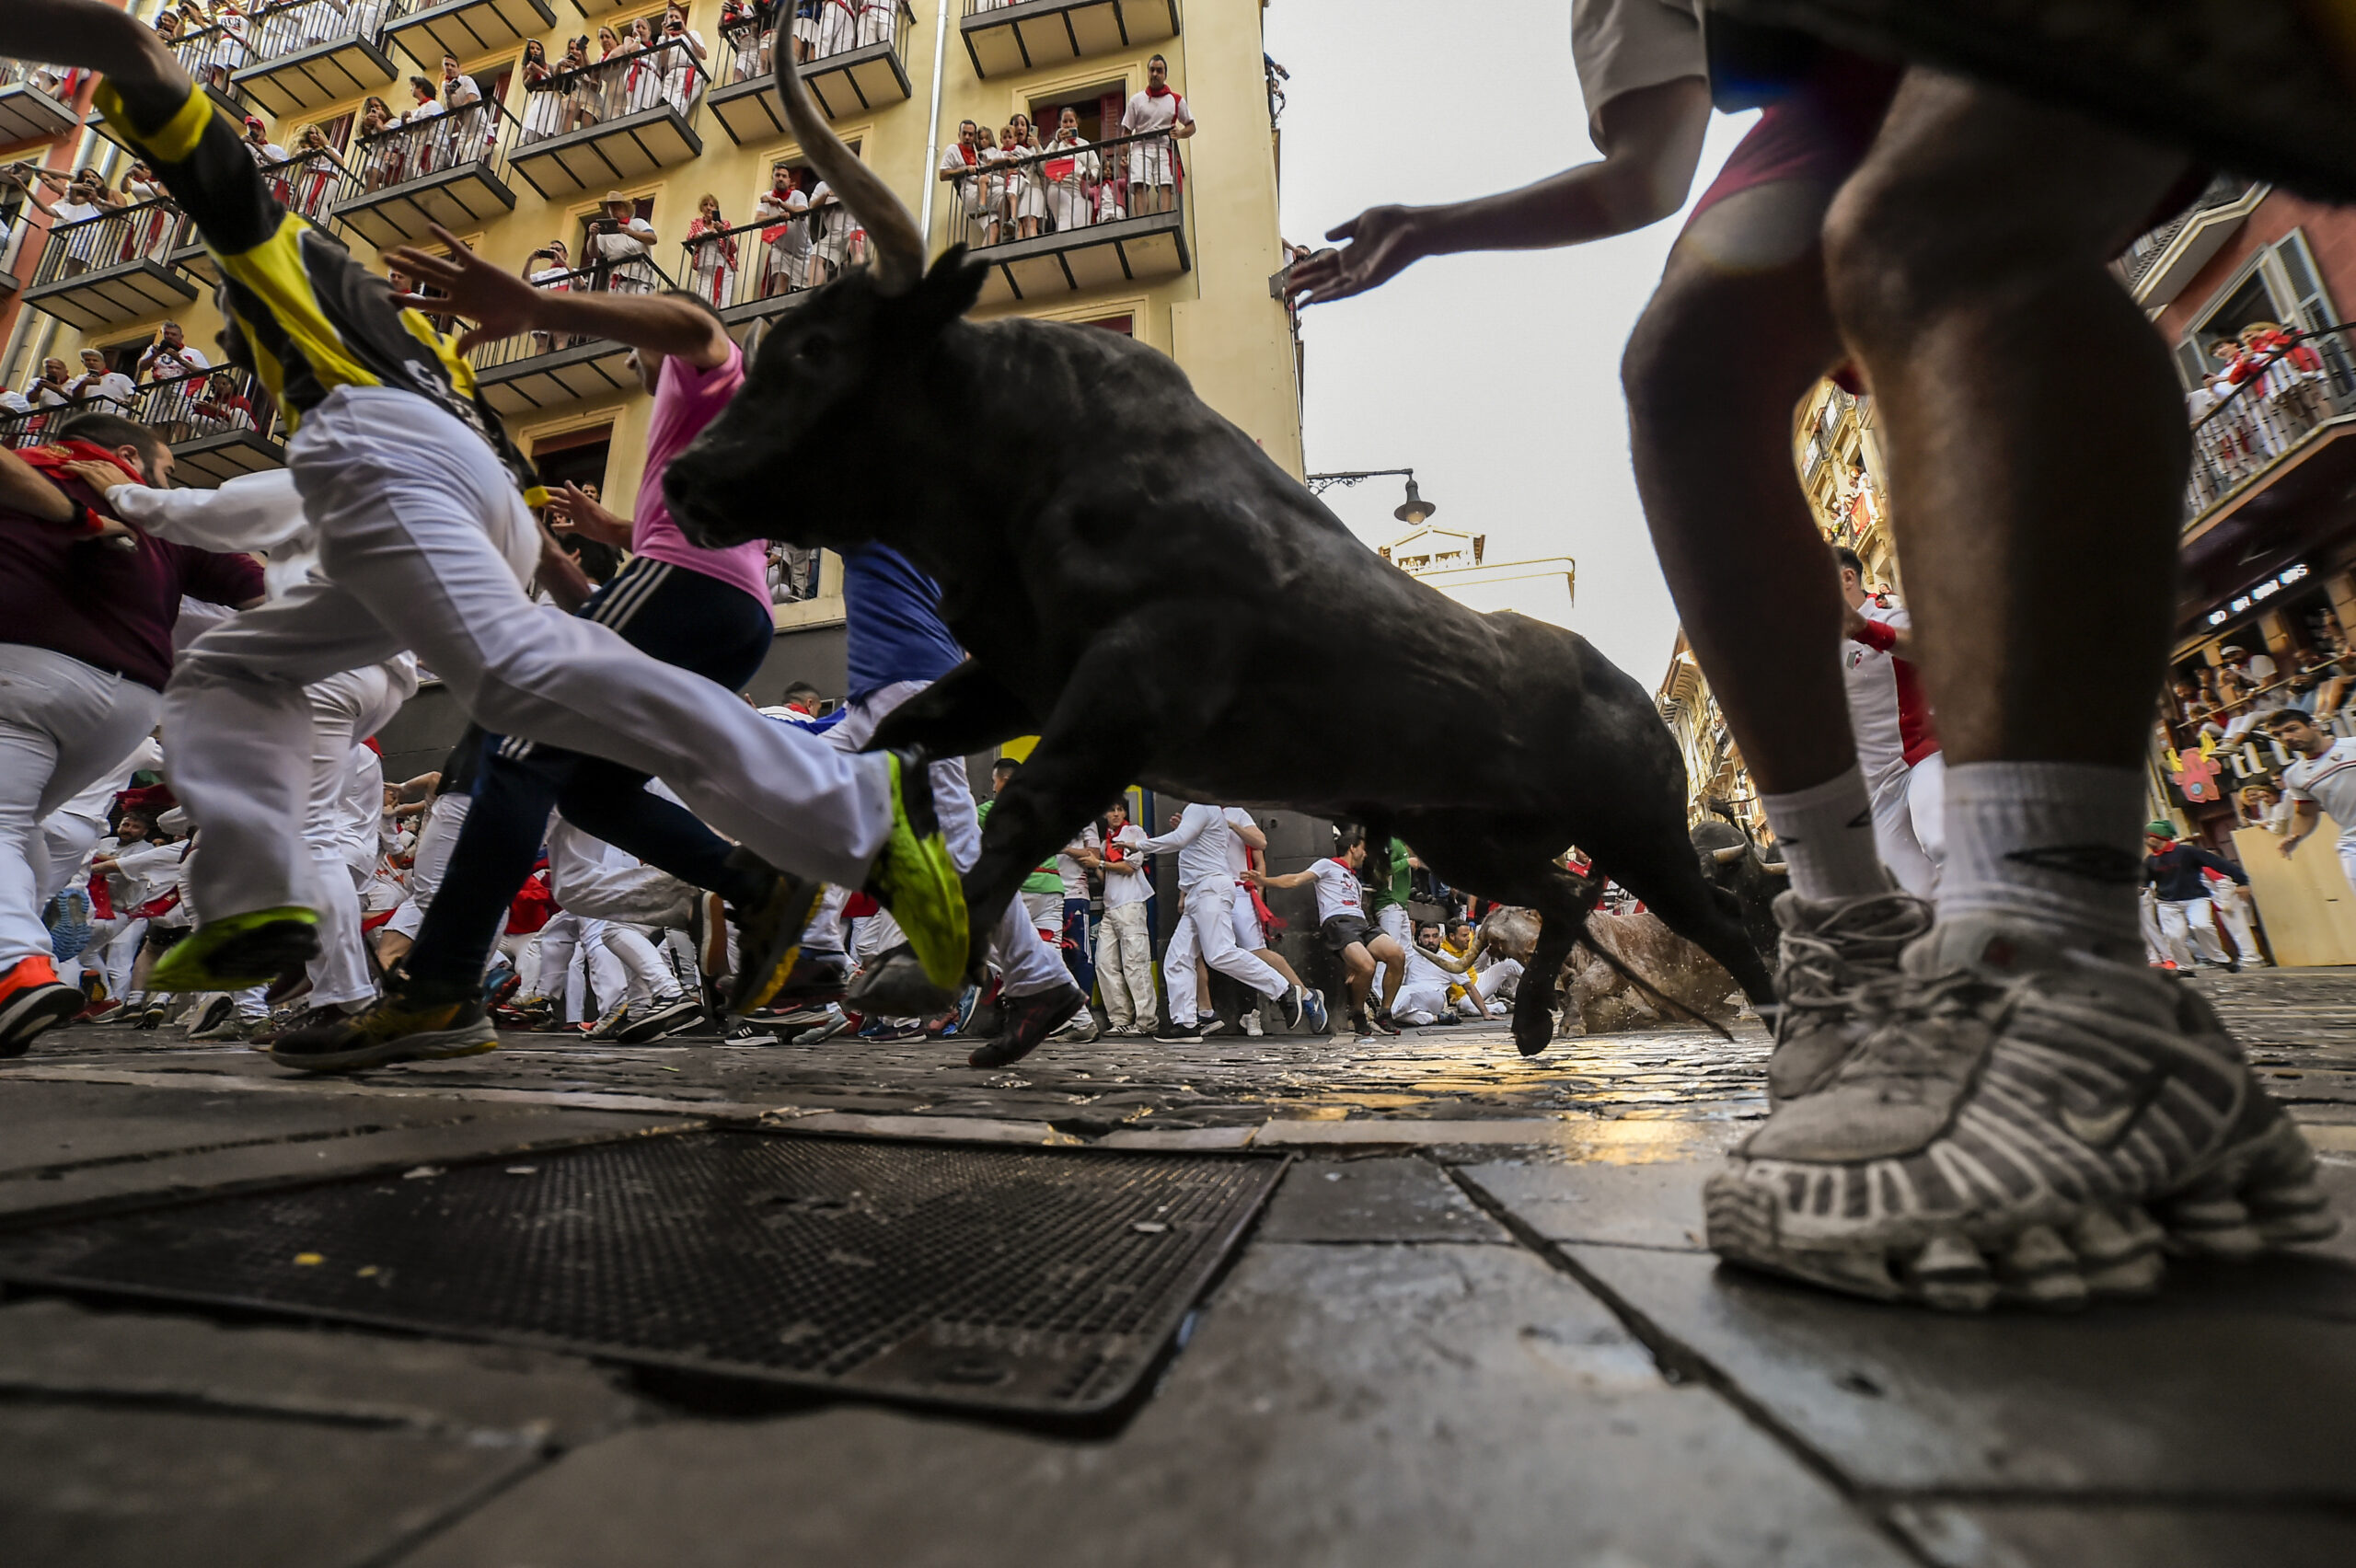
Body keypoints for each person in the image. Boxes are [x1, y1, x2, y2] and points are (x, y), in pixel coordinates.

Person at [1289, 3, 2336, 1302]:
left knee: (1936, 237)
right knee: (1685, 366)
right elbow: (1646, 173)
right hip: (1860, 79)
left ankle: (2070, 987)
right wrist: (1435, 227)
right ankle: (1854, 951)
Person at [16, 6, 963, 1068]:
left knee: (523, 700)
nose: (236, 341)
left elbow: (137, 52)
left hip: (442, 486)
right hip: (450, 495)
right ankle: (260, 909)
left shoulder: (288, 266)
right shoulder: (432, 355)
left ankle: (850, 821)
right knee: (243, 665)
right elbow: (412, 498)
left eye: (238, 334)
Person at [0, 412, 264, 1055]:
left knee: (4, 823)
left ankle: (15, 967)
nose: (168, 479)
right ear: (127, 453)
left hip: (23, 665)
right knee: (19, 829)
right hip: (129, 701)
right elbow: (256, 581)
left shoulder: (35, 465)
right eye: (167, 468)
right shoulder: (164, 515)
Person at [1140, 801, 1315, 1044]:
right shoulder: (1201, 813)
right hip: (1201, 891)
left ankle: (1284, 991)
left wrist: (1137, 844)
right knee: (1177, 957)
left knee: (1220, 953)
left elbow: (1182, 841)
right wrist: (1183, 892)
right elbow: (1190, 850)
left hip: (1214, 889)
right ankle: (1185, 1024)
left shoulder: (1209, 809)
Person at [1834, 545, 1941, 896]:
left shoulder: (1893, 617)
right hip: (1876, 788)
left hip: (1922, 760)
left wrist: (1865, 630)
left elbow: (1924, 647)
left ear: (1847, 576)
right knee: (1911, 894)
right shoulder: (1821, 648)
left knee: (1941, 837)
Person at [1249, 829, 1401, 1039]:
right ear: (1352, 848)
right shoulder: (1327, 865)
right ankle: (1358, 1013)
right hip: (1338, 922)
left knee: (1397, 954)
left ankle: (1384, 1013)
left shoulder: (1355, 881)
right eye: (1363, 850)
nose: (1365, 855)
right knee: (1367, 966)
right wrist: (1264, 881)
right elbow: (1295, 880)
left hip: (1361, 923)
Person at [2262, 709, 2356, 894]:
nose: (2286, 737)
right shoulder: (2294, 775)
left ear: (2314, 725)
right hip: (2352, 841)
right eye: (2278, 735)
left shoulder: (2352, 746)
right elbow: (2305, 813)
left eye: (2292, 729)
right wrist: (2295, 836)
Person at [2142, 821, 2246, 972]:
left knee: (2201, 925)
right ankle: (2185, 967)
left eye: (2147, 837)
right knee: (2173, 936)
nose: (2145, 841)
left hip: (2196, 898)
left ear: (2157, 837)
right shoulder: (2150, 861)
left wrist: (2241, 880)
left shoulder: (2186, 852)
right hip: (2167, 902)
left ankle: (2220, 959)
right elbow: (2144, 880)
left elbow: (2218, 863)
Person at [1093, 797, 1156, 1035]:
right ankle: (1120, 1018)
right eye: (1111, 809)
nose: (1116, 814)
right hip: (1111, 906)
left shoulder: (1134, 832)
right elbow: (1103, 875)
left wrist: (1099, 863)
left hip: (1131, 904)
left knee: (1135, 963)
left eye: (1120, 810)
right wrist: (1100, 864)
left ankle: (1146, 1021)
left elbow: (1131, 867)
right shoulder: (1104, 842)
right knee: (1104, 963)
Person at [1118, 52, 1192, 216]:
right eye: (1152, 70)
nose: (1155, 74)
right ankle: (1142, 219)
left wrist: (1179, 133)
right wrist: (1124, 155)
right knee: (1140, 184)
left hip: (1165, 148)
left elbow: (1191, 126)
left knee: (1165, 184)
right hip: (1139, 148)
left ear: (1165, 75)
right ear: (1147, 72)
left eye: (1159, 71)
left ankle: (1164, 218)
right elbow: (1127, 131)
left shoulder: (1176, 99)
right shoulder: (1136, 100)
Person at [1388, 921, 1492, 1027]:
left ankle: (1384, 1014)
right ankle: (1435, 1018)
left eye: (1435, 936)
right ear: (1419, 938)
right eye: (1426, 937)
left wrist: (1485, 1013)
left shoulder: (1449, 960)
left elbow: (1470, 988)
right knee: (1399, 1011)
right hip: (1411, 996)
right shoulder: (1411, 955)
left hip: (1434, 995)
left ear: (1440, 938)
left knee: (1402, 993)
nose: (1431, 940)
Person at [585, 190, 657, 294]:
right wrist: (592, 236)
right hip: (617, 278)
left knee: (638, 308)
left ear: (625, 209)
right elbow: (594, 254)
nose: (614, 210)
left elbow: (653, 238)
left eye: (617, 206)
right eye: (611, 207)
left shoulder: (637, 223)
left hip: (640, 277)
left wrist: (631, 232)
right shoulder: (603, 233)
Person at [682, 191, 736, 308]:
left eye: (712, 205)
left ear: (716, 208)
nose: (708, 208)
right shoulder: (696, 223)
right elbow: (691, 238)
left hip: (722, 265)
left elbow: (732, 247)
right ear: (701, 208)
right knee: (703, 298)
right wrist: (704, 234)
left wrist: (722, 232)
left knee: (722, 297)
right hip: (704, 265)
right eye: (705, 205)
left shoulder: (724, 223)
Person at [136, 318, 211, 383]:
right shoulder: (155, 349)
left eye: (173, 334)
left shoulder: (193, 353)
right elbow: (142, 367)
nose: (169, 336)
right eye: (166, 333)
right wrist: (155, 355)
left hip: (184, 396)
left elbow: (206, 375)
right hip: (158, 395)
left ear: (181, 337)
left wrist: (180, 360)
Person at [64, 349, 135, 409]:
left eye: (95, 360)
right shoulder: (80, 379)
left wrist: (127, 403)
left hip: (116, 416)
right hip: (90, 418)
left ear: (103, 363)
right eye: (88, 360)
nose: (91, 362)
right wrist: (84, 383)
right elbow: (75, 401)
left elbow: (135, 395)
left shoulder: (119, 377)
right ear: (83, 362)